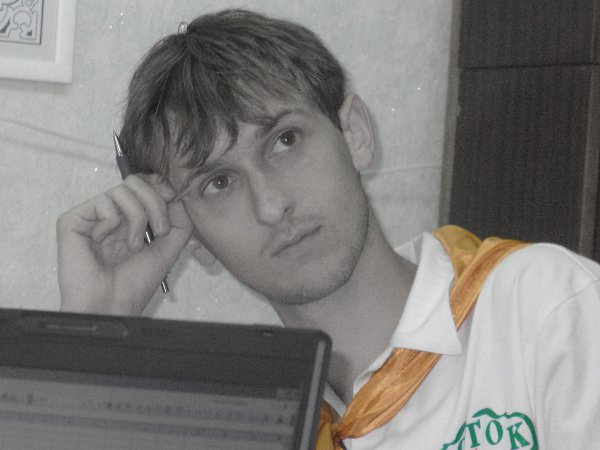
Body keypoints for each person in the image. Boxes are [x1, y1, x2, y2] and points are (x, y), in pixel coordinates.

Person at [57, 9, 600, 449]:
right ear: (192, 234)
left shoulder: (547, 309)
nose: (271, 205)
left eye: (285, 140)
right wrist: (93, 333)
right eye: (218, 182)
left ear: (355, 133)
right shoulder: (240, 420)